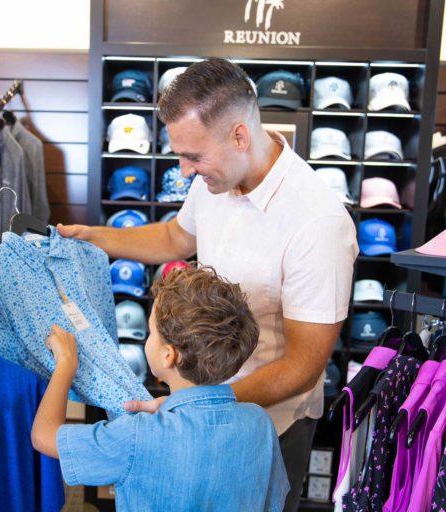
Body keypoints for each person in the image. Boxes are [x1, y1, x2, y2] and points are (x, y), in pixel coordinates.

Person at [58, 57, 358, 511]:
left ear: (239, 135)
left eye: (193, 157)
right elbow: (176, 236)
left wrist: (200, 406)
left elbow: (303, 366)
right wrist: (95, 237)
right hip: (196, 408)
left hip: (267, 429)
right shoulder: (216, 178)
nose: (183, 171)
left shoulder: (318, 223)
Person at [32, 265, 288, 511]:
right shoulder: (260, 424)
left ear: (168, 355)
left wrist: (65, 365)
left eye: (151, 331)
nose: (147, 337)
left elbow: (43, 436)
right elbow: (272, 500)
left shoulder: (136, 436)